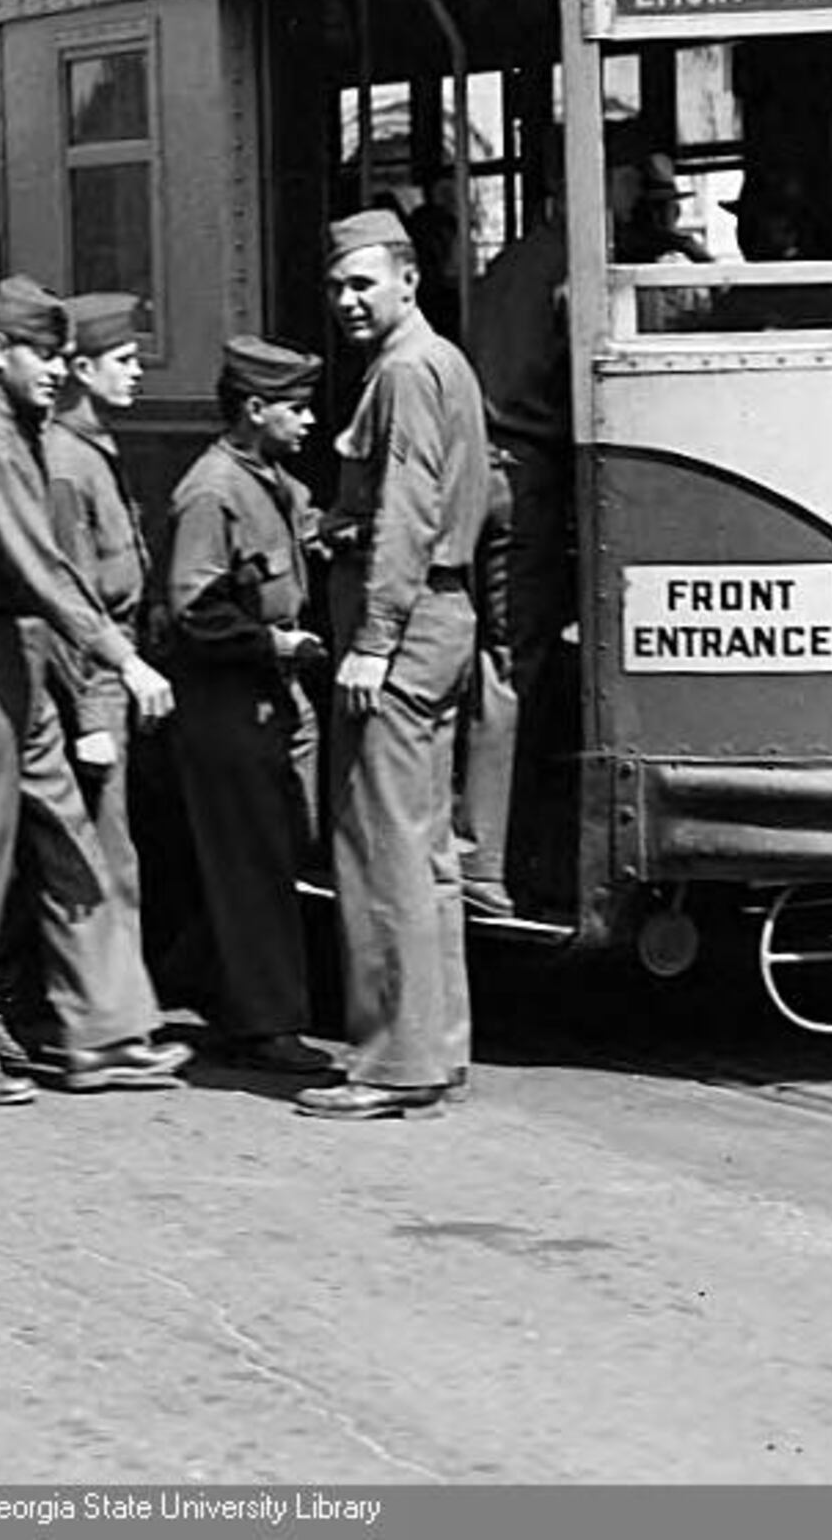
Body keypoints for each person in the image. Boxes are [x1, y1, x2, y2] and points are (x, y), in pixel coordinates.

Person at [0, 275, 185, 1107]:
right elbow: (39, 564)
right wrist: (120, 660)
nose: (59, 370)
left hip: (12, 656)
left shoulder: (12, 427)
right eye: (43, 355)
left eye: (65, 356)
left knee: (71, 844)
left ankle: (102, 1033)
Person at [303, 208, 489, 1122]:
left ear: (409, 279)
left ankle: (391, 1065)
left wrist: (371, 639)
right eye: (337, 286)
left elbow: (411, 506)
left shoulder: (407, 372)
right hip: (443, 616)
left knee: (380, 850)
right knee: (424, 848)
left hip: (404, 629)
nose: (347, 300)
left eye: (364, 283)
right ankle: (436, 1052)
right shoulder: (439, 361)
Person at [159, 335, 335, 1074]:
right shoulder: (213, 490)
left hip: (265, 703)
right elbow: (194, 608)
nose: (310, 423)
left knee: (259, 854)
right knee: (253, 865)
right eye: (297, 409)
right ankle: (264, 1026)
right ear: (256, 410)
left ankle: (214, 994)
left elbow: (303, 534)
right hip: (228, 706)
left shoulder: (271, 480)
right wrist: (278, 645)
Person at [0, 291, 157, 1066]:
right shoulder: (64, 465)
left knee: (101, 857)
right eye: (124, 362)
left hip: (105, 681)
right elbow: (62, 600)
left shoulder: (90, 449)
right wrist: (91, 716)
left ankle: (94, 1020)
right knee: (92, 862)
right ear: (85, 370)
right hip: (88, 686)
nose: (137, 376)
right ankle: (84, 1026)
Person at [464, 160, 577, 918]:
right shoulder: (575, 267)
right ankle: (485, 862)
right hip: (523, 473)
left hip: (503, 468)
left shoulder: (519, 258)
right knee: (513, 664)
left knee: (511, 659)